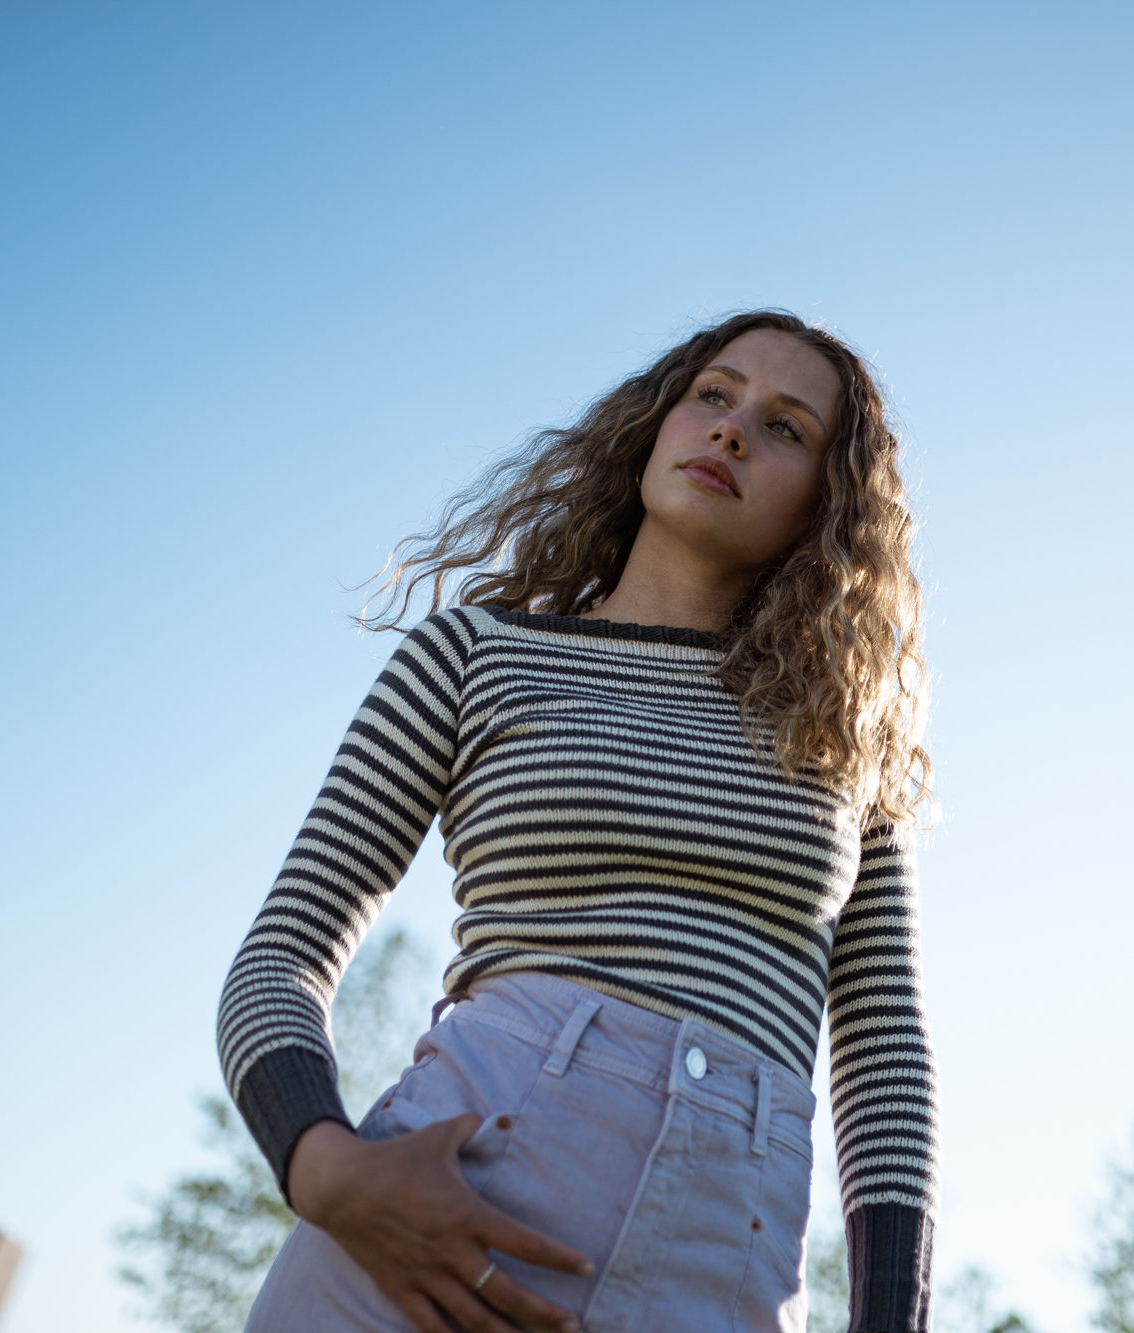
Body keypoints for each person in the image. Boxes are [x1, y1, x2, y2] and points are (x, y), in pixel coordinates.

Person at [217, 309, 940, 1333]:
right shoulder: (473, 655)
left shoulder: (843, 742)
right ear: (655, 425)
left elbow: (886, 1050)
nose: (733, 431)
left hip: (717, 1269)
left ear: (828, 506)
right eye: (714, 397)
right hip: (433, 1221)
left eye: (786, 428)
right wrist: (321, 1164)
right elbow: (283, 951)